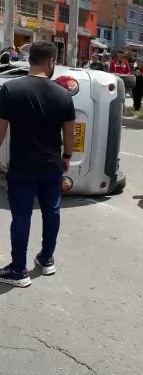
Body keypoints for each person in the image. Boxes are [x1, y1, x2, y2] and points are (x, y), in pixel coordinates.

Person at [0, 41, 76, 287]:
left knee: (21, 217)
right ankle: (47, 259)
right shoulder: (63, 94)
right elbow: (70, 135)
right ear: (51, 61)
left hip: (22, 167)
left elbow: (0, 133)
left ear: (30, 59)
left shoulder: (11, 90)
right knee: (51, 212)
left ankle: (19, 270)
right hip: (52, 166)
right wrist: (66, 158)